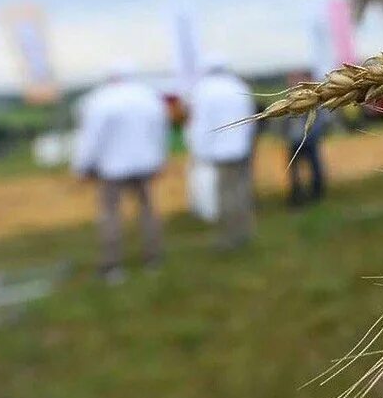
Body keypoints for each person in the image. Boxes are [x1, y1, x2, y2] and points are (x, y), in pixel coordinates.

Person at [71, 62, 168, 283]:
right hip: (145, 164)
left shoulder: (100, 100)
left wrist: (83, 166)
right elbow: (160, 131)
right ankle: (153, 259)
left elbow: (91, 138)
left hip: (112, 168)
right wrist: (159, 159)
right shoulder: (148, 97)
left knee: (110, 215)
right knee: (147, 211)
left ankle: (112, 265)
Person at [186, 55, 257, 249]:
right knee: (242, 191)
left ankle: (229, 237)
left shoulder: (203, 90)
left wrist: (198, 151)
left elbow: (200, 124)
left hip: (220, 151)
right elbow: (251, 118)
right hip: (242, 148)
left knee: (226, 195)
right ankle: (244, 231)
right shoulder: (239, 86)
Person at [281, 72, 327, 206]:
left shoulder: (314, 98)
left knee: (314, 166)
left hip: (309, 140)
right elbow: (284, 122)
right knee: (294, 169)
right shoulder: (289, 99)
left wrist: (312, 135)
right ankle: (297, 194)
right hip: (294, 140)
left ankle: (317, 193)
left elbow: (320, 119)